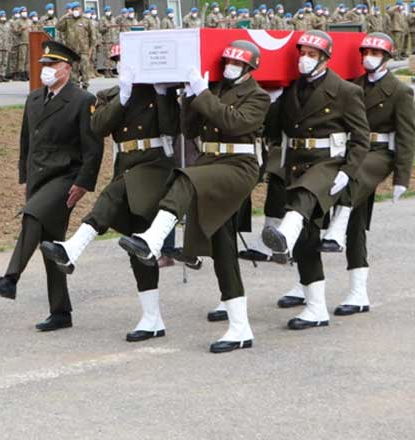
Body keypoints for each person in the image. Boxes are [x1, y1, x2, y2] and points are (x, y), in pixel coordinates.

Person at [118, 41, 270, 353]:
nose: (230, 67)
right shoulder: (212, 89)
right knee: (223, 244)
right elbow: (188, 130)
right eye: (227, 61)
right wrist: (188, 96)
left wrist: (202, 93)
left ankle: (153, 237)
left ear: (250, 67)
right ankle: (240, 327)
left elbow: (233, 122)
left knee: (186, 178)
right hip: (211, 163)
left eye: (237, 63)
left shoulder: (258, 96)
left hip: (239, 166)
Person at [41, 47, 178, 343]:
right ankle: (152, 318)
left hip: (154, 168)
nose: (120, 67)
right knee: (138, 249)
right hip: (127, 170)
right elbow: (99, 127)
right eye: (116, 62)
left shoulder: (158, 92)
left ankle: (73, 248)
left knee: (109, 198)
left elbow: (172, 128)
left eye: (126, 62)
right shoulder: (109, 96)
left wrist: (165, 95)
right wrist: (124, 96)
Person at [289, 33, 413, 317]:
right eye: (366, 51)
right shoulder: (352, 86)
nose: (369, 56)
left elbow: (406, 136)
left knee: (352, 180)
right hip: (350, 149)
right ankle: (314, 284)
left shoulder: (399, 91)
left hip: (380, 153)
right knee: (342, 215)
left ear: (387, 57)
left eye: (376, 52)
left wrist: (402, 178)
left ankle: (339, 238)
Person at [0, 41, 102, 332]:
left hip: (65, 178)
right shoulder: (34, 98)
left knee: (32, 216)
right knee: (51, 245)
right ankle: (61, 312)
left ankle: (10, 279)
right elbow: (27, 140)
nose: (46, 71)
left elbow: (93, 147)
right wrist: (24, 175)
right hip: (38, 178)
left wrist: (84, 183)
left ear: (67, 69)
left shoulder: (82, 99)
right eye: (43, 66)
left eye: (52, 66)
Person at [262, 30, 370, 330]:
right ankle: (316, 308)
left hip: (328, 163)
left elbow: (361, 139)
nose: (304, 59)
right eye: (302, 53)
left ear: (324, 58)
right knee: (307, 243)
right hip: (295, 164)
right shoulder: (292, 90)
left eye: (311, 54)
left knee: (303, 199)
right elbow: (272, 130)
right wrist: (271, 101)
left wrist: (347, 172)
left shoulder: (346, 91)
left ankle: (285, 230)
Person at [56, 2, 94, 89]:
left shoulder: (86, 20)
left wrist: (91, 49)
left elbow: (92, 36)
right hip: (72, 50)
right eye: (73, 10)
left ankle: (85, 86)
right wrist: (65, 16)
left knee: (85, 69)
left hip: (84, 50)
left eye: (77, 9)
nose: (75, 11)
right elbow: (58, 27)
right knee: (74, 70)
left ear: (81, 9)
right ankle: (75, 87)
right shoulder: (68, 20)